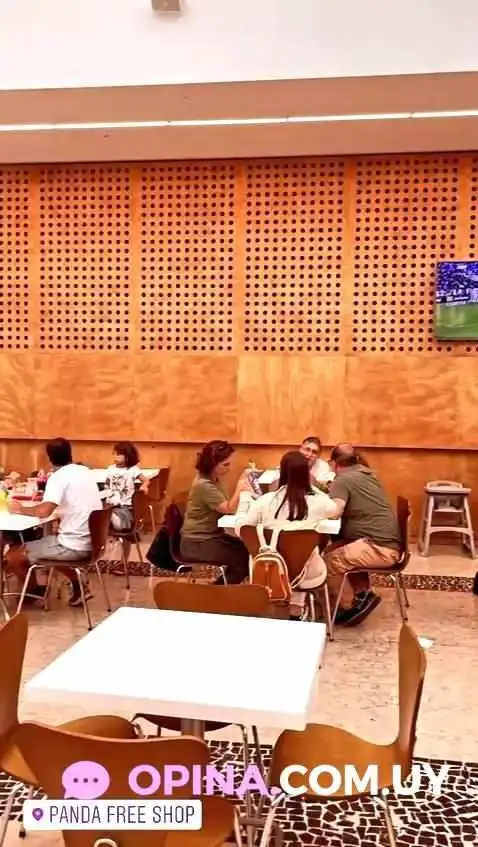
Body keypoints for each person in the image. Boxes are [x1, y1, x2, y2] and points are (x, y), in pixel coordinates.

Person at [236, 451, 338, 619]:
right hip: (307, 574)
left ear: (282, 473)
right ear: (306, 474)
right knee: (308, 555)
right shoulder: (318, 502)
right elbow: (334, 509)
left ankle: (286, 606)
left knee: (290, 559)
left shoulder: (265, 501)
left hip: (269, 572)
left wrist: (242, 509)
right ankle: (296, 607)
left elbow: (243, 528)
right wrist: (310, 486)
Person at [5, 438, 102, 607]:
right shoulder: (84, 471)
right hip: (93, 543)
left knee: (12, 555)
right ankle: (78, 585)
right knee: (46, 543)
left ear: (49, 457)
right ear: (69, 453)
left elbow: (44, 512)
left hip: (72, 546)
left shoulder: (58, 477)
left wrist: (21, 509)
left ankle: (33, 591)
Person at [324, 443, 401, 626]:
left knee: (329, 562)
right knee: (333, 548)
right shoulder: (366, 474)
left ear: (333, 463)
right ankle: (361, 593)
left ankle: (350, 607)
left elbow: (335, 511)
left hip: (380, 548)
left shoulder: (342, 480)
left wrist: (314, 507)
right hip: (385, 542)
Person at [180, 440, 252, 584]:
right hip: (197, 543)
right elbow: (227, 508)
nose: (229, 468)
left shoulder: (213, 479)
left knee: (248, 550)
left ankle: (220, 588)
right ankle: (217, 591)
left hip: (210, 537)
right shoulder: (204, 485)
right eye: (225, 464)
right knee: (243, 560)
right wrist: (239, 488)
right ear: (212, 464)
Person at [105, 441, 149, 531]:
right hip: (110, 504)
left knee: (118, 519)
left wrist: (144, 486)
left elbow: (146, 480)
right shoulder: (110, 468)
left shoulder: (133, 469)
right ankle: (108, 520)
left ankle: (114, 521)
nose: (115, 457)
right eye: (114, 454)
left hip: (124, 506)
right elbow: (107, 485)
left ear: (128, 456)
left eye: (118, 454)